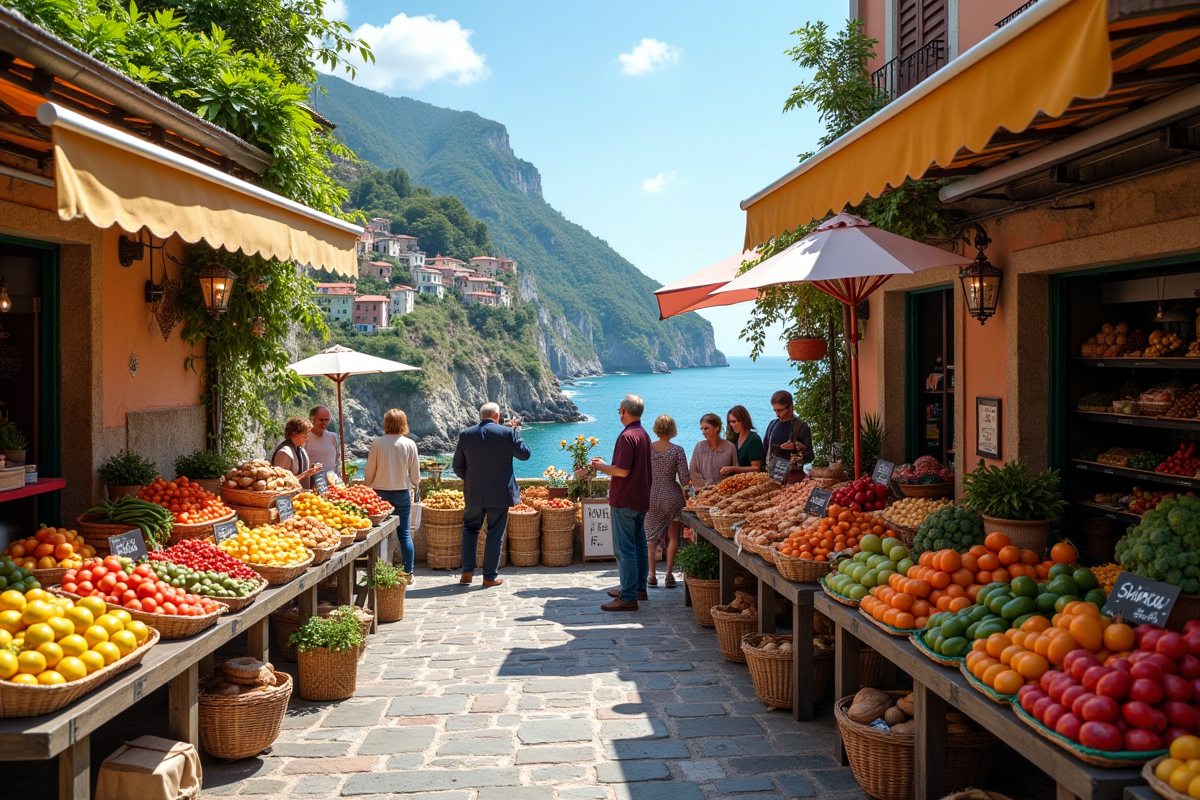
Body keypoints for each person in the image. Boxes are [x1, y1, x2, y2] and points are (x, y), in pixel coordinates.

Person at [451, 402, 531, 587]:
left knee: (470, 528)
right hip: (500, 492)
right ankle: (489, 577)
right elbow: (525, 455)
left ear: (481, 416)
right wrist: (515, 432)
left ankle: (467, 572)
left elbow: (457, 467)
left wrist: (471, 480)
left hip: (474, 492)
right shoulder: (507, 433)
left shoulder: (466, 434)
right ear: (497, 416)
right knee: (495, 532)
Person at [589, 394, 652, 611]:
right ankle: (637, 589)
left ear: (624, 410)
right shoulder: (643, 434)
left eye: (619, 410)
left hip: (625, 499)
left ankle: (628, 597)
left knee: (625, 549)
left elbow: (622, 471)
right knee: (639, 546)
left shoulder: (627, 437)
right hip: (641, 498)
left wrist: (600, 466)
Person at [364, 408, 421, 574]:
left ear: (386, 423)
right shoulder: (409, 444)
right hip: (402, 492)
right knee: (404, 533)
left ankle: (380, 571)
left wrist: (367, 486)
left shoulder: (377, 443)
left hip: (380, 494)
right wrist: (415, 486)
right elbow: (415, 474)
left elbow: (370, 471)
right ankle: (408, 572)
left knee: (379, 534)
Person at [645, 414, 688, 589]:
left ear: (656, 429)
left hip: (651, 496)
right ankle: (669, 575)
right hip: (672, 497)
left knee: (651, 540)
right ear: (672, 430)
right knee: (673, 537)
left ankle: (652, 576)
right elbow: (684, 479)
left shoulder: (647, 449)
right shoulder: (677, 450)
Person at [764, 389, 814, 483]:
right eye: (775, 410)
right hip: (773, 476)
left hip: (793, 479)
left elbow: (810, 457)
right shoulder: (772, 424)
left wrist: (797, 446)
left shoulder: (801, 427)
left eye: (780, 410)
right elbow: (765, 449)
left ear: (790, 407)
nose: (777, 414)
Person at [689, 413, 737, 488]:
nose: (703, 432)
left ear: (717, 428)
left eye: (706, 428)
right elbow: (693, 470)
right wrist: (704, 487)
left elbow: (735, 472)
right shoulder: (699, 447)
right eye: (702, 429)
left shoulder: (730, 447)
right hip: (702, 492)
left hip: (724, 491)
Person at [271, 417, 320, 490]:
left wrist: (310, 472)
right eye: (304, 434)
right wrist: (305, 474)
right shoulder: (284, 452)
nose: (307, 438)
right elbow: (278, 483)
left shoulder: (300, 449)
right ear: (294, 433)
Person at [719, 405, 764, 477]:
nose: (731, 425)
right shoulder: (734, 438)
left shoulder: (754, 439)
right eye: (729, 422)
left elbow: (756, 468)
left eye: (734, 422)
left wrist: (734, 469)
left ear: (743, 421)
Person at [306, 405, 340, 484]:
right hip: (313, 485)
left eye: (327, 420)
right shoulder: (305, 438)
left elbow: (336, 463)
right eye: (321, 420)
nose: (324, 423)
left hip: (332, 485)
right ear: (312, 419)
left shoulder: (333, 437)